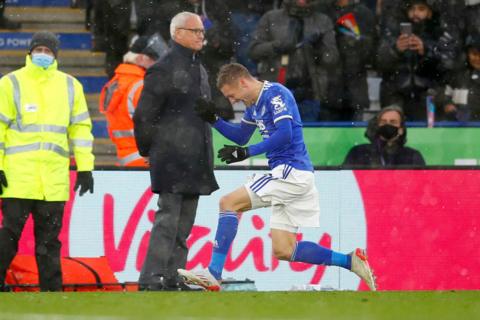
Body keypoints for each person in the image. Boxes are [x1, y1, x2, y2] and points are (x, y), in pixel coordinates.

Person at [178, 63, 377, 291]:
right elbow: (242, 137)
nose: (232, 101)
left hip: (290, 172)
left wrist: (248, 153)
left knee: (228, 203)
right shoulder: (253, 106)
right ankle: (350, 260)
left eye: (231, 95)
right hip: (296, 176)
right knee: (285, 250)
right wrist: (213, 119)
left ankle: (213, 274)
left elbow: (285, 134)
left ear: (242, 82)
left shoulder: (275, 95)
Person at [0, 31, 94, 292]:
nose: (42, 54)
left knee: (50, 241)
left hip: (52, 179)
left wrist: (85, 167)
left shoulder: (70, 86)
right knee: (9, 235)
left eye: (47, 50)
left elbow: (81, 129)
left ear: (56, 55)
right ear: (29, 53)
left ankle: (52, 292)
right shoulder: (10, 83)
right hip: (18, 177)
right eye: (38, 50)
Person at [133, 12, 219, 291]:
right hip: (172, 156)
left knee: (183, 225)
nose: (200, 36)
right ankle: (152, 277)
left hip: (194, 156)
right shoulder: (163, 68)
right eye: (195, 31)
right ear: (177, 33)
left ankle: (173, 276)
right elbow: (144, 116)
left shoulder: (198, 68)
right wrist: (149, 150)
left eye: (202, 32)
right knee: (169, 220)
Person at [248, 0, 340, 121]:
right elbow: (253, 51)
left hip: (310, 93)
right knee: (275, 136)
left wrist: (317, 50)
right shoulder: (271, 17)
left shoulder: (322, 21)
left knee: (305, 137)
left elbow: (332, 58)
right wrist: (277, 46)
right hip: (275, 94)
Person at [376, 0, 457, 121]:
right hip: (395, 97)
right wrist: (395, 50)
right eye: (411, 9)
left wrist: (425, 52)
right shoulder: (392, 31)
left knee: (427, 138)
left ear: (429, 11)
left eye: (421, 9)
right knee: (394, 135)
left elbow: (448, 65)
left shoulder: (440, 31)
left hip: (430, 97)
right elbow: (378, 63)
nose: (415, 13)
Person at [99, 36, 161, 167]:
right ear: (140, 58)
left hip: (127, 159)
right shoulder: (142, 87)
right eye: (153, 59)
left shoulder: (116, 84)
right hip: (149, 161)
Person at [325, 0, 376, 120]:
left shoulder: (363, 13)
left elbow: (371, 51)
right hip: (327, 89)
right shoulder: (322, 9)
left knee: (354, 136)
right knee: (326, 136)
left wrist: (353, 41)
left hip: (355, 88)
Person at [343, 106, 425, 166]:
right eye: (383, 122)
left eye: (393, 122)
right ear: (377, 126)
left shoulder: (412, 156)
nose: (387, 124)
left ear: (401, 130)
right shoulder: (358, 153)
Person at [436, 33, 480, 121]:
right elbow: (444, 94)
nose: (478, 58)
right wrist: (447, 104)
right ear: (467, 54)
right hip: (457, 128)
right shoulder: (457, 75)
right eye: (474, 54)